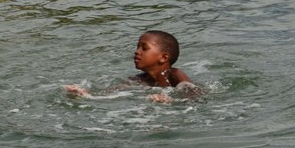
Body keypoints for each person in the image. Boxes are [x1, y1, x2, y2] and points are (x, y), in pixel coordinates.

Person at [66, 30, 197, 102]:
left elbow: (192, 92)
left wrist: (171, 101)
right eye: (137, 47)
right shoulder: (138, 79)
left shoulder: (173, 74)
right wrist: (87, 95)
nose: (137, 51)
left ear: (163, 57)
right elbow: (112, 93)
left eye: (144, 48)